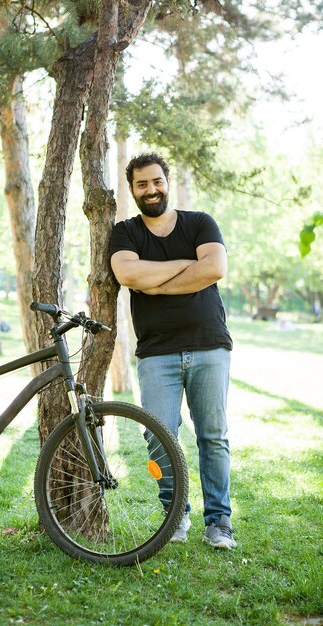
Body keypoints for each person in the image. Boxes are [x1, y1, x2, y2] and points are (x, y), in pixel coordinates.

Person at [109, 153, 236, 550]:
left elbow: (213, 269)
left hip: (208, 346)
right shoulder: (125, 232)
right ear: (132, 190)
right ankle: (175, 515)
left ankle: (219, 522)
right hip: (156, 353)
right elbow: (128, 274)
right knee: (159, 437)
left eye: (156, 181)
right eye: (142, 184)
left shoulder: (200, 222)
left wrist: (157, 281)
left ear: (168, 181)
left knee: (212, 436)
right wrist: (186, 269)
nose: (151, 190)